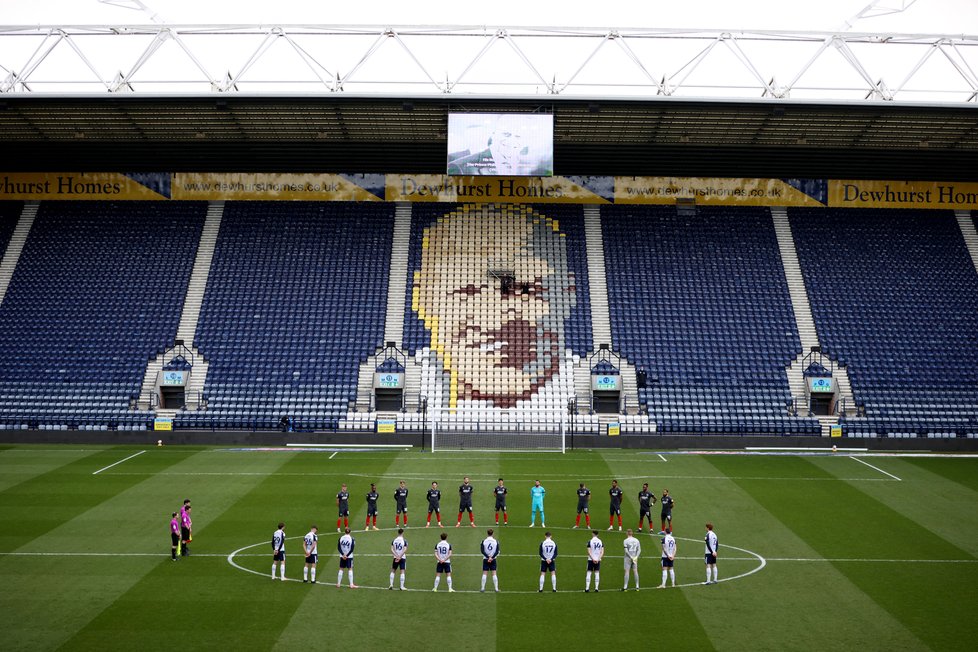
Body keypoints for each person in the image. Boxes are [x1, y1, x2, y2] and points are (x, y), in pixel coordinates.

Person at [411, 205, 578, 412]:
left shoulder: (574, 382)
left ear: (568, 292)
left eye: (522, 290)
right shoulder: (419, 381)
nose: (492, 316)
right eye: (467, 291)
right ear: (423, 298)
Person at [447, 115, 553, 176]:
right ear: (493, 135)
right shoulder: (458, 167)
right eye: (506, 134)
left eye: (518, 136)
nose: (512, 141)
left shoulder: (533, 169)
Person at [480, 528, 500, 593]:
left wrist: (488, 557)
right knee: (494, 573)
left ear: (487, 533)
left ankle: (482, 588)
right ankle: (496, 589)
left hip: (485, 559)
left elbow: (482, 551)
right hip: (493, 559)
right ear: (493, 533)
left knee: (484, 573)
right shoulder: (496, 541)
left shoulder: (484, 541)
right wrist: (491, 558)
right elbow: (497, 551)